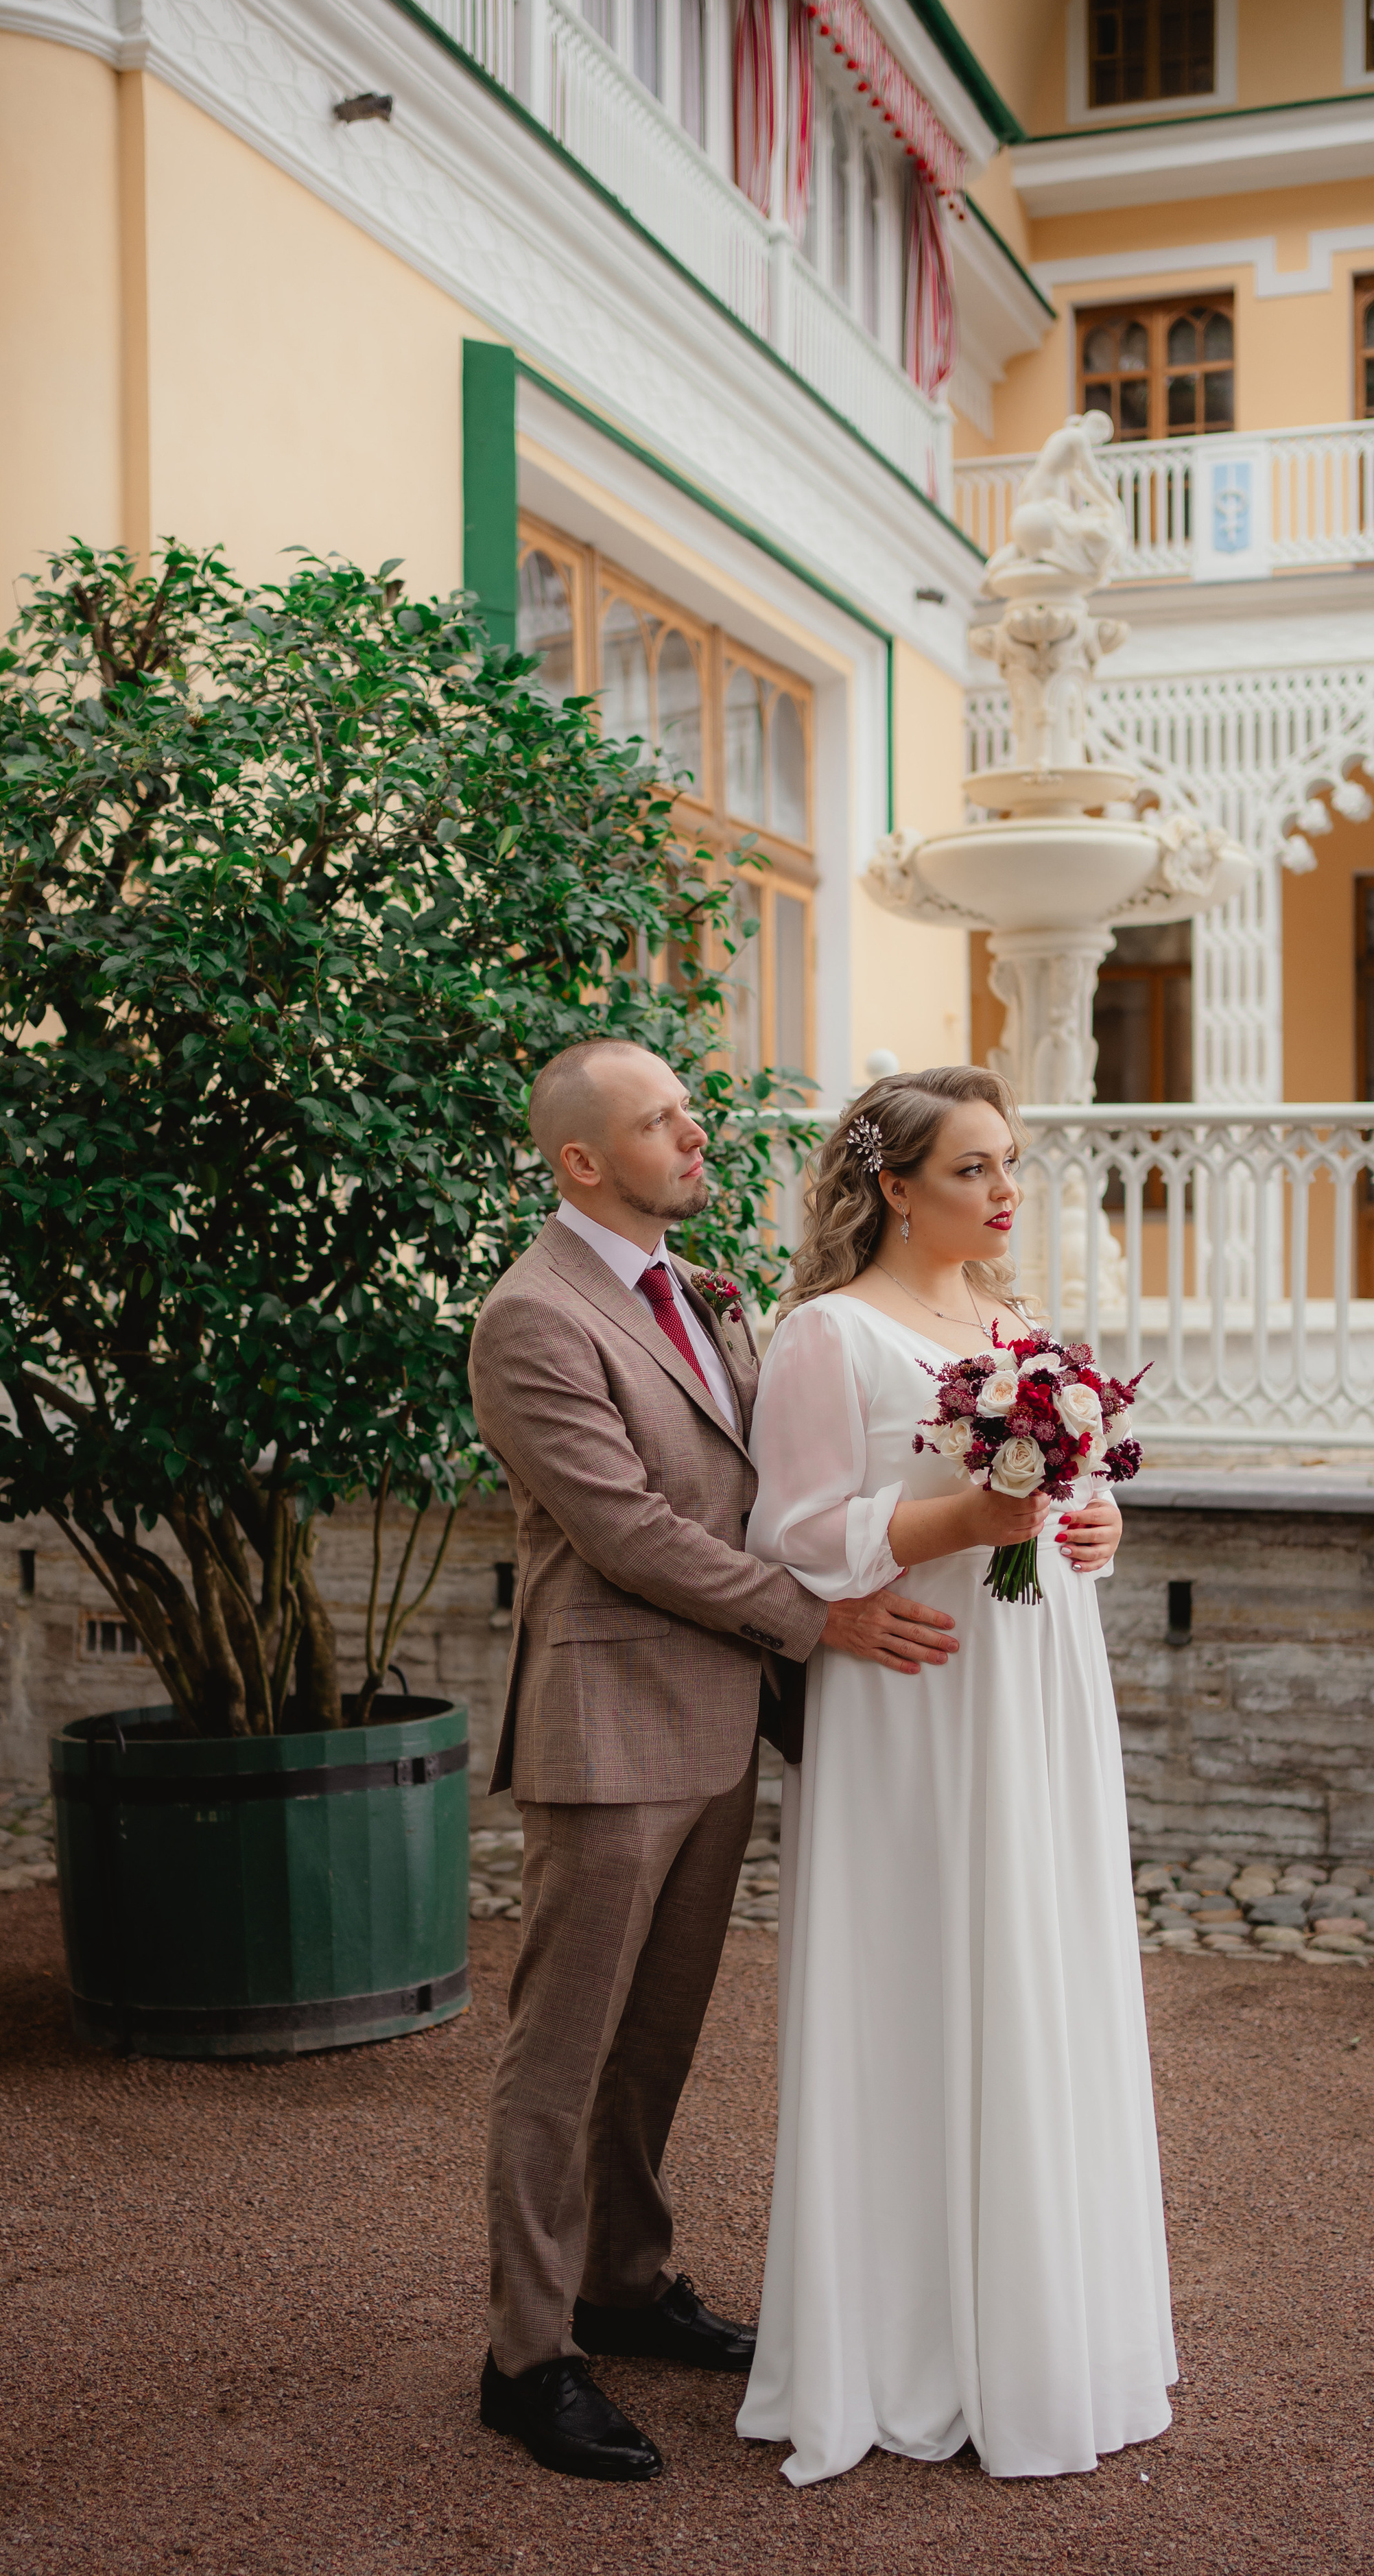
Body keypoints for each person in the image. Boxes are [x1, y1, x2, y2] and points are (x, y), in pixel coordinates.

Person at [469, 1037, 960, 2484]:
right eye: (659, 1121)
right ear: (579, 1161)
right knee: (559, 2056)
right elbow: (628, 1532)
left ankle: (624, 2282)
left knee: (657, 2040)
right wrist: (822, 1619)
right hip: (608, 1725)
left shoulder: (697, 1293)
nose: (695, 1134)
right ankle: (525, 2358)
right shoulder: (531, 1320)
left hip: (714, 1719)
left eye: (686, 1112)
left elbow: (769, 1488)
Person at [735, 1063, 1177, 2486]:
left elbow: (1066, 1483)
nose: (1005, 1190)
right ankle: (908, 2342)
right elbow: (795, 1531)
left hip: (1034, 1681)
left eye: (1007, 1164)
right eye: (976, 1168)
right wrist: (967, 1514)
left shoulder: (1011, 1327)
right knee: (917, 1974)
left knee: (1036, 1966)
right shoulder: (824, 1337)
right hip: (914, 1690)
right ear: (893, 1186)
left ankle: (1045, 2324)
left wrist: (1089, 1516)